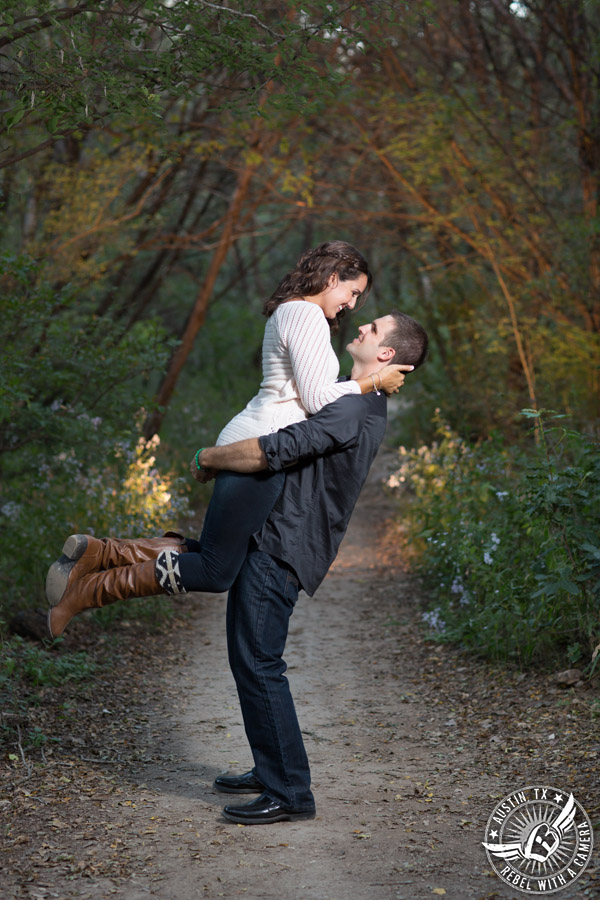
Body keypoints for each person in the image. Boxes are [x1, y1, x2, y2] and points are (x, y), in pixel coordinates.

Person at [46, 242, 408, 638]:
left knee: (214, 557)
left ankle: (99, 556)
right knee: (217, 571)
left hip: (257, 437)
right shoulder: (305, 315)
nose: (352, 305)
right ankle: (85, 591)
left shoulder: (296, 312)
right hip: (258, 446)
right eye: (352, 292)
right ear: (333, 277)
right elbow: (319, 398)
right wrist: (374, 381)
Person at [191, 310, 429, 825]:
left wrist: (211, 456)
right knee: (248, 658)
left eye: (373, 328)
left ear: (387, 355)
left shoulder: (356, 407)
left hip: (284, 544)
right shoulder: (353, 395)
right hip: (275, 534)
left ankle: (290, 792)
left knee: (259, 661)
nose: (361, 327)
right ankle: (270, 768)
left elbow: (278, 450)